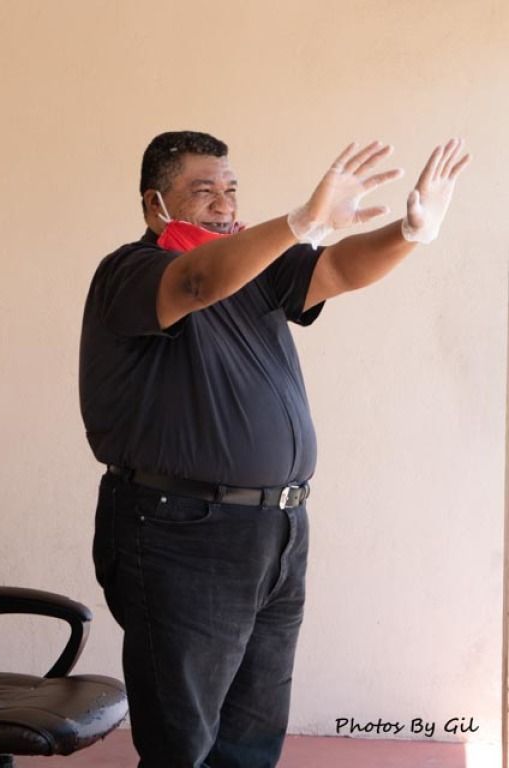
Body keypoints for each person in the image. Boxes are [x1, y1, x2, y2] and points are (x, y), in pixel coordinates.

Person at [79, 131, 470, 768]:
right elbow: (198, 283)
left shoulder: (257, 270)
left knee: (251, 737)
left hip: (277, 531)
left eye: (231, 190)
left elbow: (339, 268)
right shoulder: (133, 270)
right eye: (202, 192)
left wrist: (410, 232)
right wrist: (298, 223)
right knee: (184, 741)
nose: (224, 205)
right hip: (181, 530)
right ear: (156, 205)